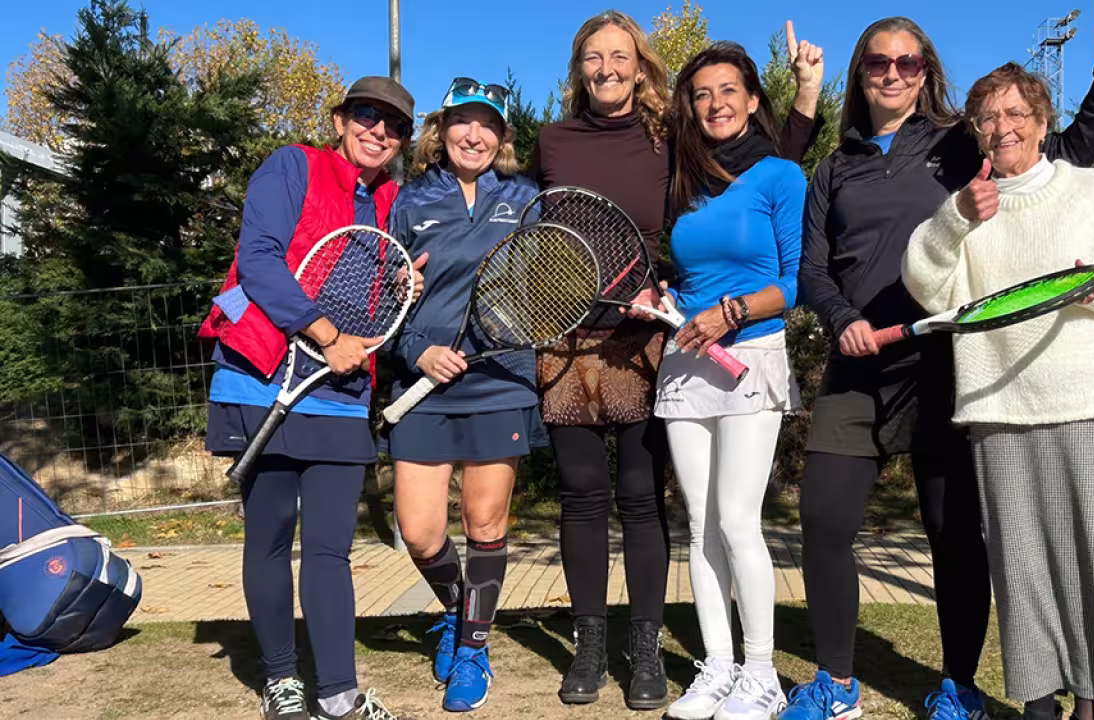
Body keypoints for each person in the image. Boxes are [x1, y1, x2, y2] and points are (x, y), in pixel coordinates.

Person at [787, 3, 1094, 719]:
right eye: (879, 62)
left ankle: (959, 683)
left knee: (955, 535)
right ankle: (836, 684)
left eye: (907, 62)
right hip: (859, 367)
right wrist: (843, 319)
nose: (892, 73)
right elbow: (814, 270)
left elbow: (1060, 158)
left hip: (947, 368)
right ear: (862, 73)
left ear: (926, 74)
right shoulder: (836, 164)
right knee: (824, 521)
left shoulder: (956, 143)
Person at [529, 11, 825, 711]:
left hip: (694, 348)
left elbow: (763, 166)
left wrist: (807, 96)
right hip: (600, 345)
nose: (606, 66)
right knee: (674, 515)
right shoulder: (561, 141)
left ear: (641, 66)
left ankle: (733, 668)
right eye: (593, 55)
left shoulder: (671, 144)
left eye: (620, 54)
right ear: (579, 67)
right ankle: (681, 660)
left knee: (704, 514)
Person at [902, 62, 1094, 720]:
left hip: (1085, 404)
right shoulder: (969, 203)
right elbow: (926, 285)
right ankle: (1039, 701)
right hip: (998, 410)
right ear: (976, 130)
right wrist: (954, 219)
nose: (1004, 127)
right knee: (1019, 570)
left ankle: (1088, 702)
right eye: (989, 116)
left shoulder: (1091, 190)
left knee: (1090, 564)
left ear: (1043, 124)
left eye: (1018, 113)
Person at [199, 76, 422, 720]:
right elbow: (260, 260)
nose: (378, 130)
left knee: (330, 548)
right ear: (340, 120)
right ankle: (280, 680)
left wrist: (405, 286)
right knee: (268, 538)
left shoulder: (393, 202)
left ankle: (339, 692)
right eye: (366, 115)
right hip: (262, 378)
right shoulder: (291, 166)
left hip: (341, 394)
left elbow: (377, 301)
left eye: (394, 125)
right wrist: (325, 334)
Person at [651, 43, 804, 720]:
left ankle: (762, 675)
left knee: (739, 519)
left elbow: (794, 283)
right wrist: (669, 295)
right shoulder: (684, 182)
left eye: (727, 91)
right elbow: (682, 273)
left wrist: (731, 313)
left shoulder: (779, 176)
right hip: (687, 357)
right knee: (700, 522)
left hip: (751, 353)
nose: (715, 103)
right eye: (702, 94)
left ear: (751, 100)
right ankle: (717, 669)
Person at [386, 77, 541, 712]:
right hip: (422, 383)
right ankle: (459, 610)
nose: (474, 135)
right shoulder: (406, 200)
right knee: (420, 532)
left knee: (484, 524)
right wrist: (417, 347)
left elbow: (547, 284)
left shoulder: (526, 199)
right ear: (441, 129)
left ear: (502, 136)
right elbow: (384, 298)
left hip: (499, 380)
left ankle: (473, 648)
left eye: (488, 125)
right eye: (462, 123)